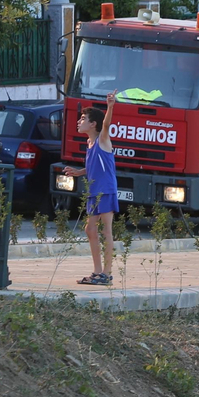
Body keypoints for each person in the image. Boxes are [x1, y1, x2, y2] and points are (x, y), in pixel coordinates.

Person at [61, 99, 119, 286]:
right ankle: (97, 272)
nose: (79, 122)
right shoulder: (90, 142)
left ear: (93, 124)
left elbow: (107, 124)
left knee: (106, 231)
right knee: (90, 229)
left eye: (83, 118)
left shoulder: (103, 138)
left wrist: (110, 106)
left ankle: (106, 274)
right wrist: (78, 172)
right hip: (94, 191)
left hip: (106, 190)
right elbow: (93, 166)